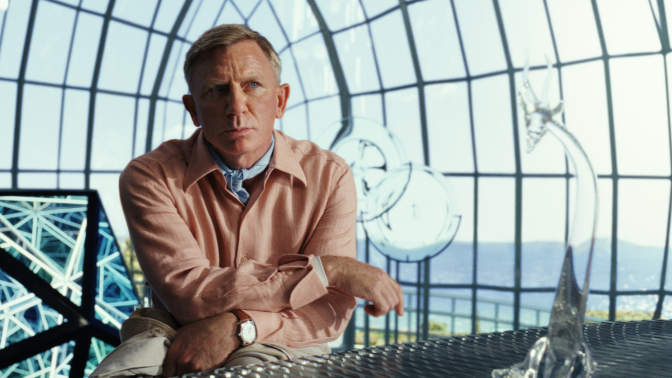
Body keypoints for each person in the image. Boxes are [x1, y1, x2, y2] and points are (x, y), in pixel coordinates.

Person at [119, 24, 404, 377]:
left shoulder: (330, 175)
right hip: (173, 333)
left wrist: (242, 327)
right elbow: (190, 296)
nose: (236, 107)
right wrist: (325, 270)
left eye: (252, 85)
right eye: (217, 90)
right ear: (193, 109)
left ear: (280, 100)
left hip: (286, 340)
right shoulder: (149, 176)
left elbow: (328, 311)